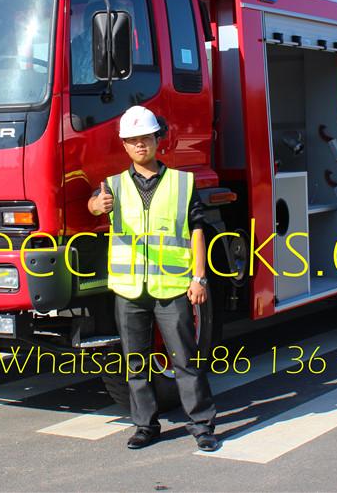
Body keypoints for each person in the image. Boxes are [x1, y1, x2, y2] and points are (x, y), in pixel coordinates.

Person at [87, 105, 220, 452]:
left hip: (172, 287)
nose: (139, 145)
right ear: (124, 145)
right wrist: (97, 206)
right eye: (132, 140)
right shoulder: (113, 186)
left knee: (185, 360)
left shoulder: (181, 183)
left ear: (158, 140)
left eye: (145, 138)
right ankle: (145, 426)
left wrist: (200, 278)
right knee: (135, 363)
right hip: (129, 289)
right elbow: (93, 205)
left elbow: (197, 230)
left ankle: (202, 426)